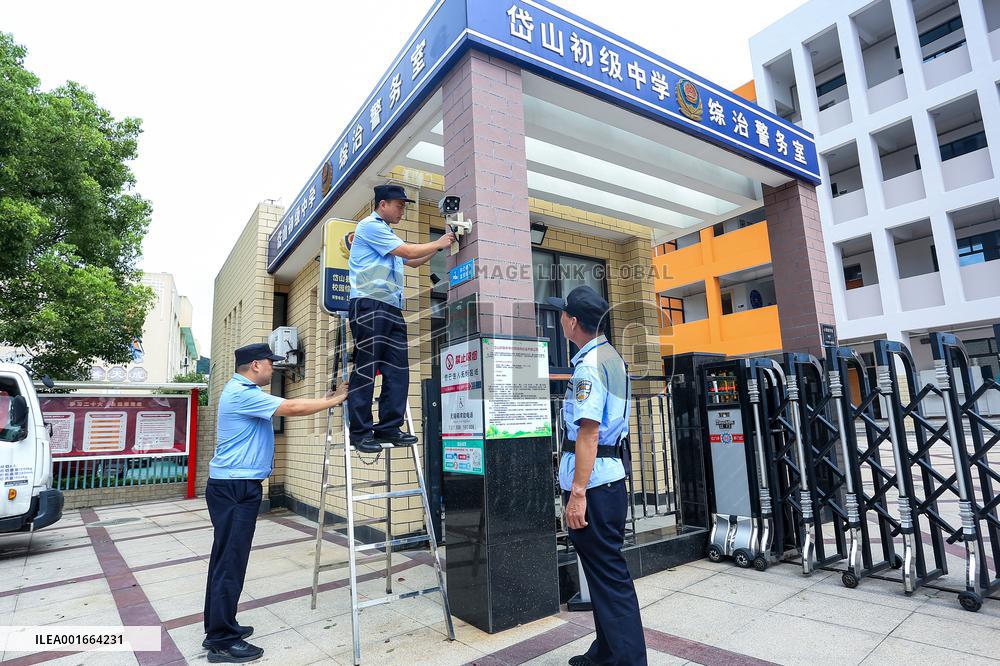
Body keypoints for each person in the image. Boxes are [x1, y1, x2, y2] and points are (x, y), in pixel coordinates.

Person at [203, 342, 348, 663]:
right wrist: (334, 400)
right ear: (256, 365)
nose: (274, 368)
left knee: (225, 559)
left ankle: (220, 625)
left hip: (233, 486)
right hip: (234, 489)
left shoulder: (239, 391)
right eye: (271, 363)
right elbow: (292, 409)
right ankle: (221, 641)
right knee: (230, 562)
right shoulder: (243, 393)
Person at [547, 286, 648, 666]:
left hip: (594, 485)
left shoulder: (589, 365)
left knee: (609, 578)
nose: (560, 320)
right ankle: (606, 652)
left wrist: (577, 494)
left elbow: (588, 432)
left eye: (562, 315)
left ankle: (627, 660)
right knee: (603, 575)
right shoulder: (611, 357)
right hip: (607, 480)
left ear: (573, 322)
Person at [347, 183, 454, 452]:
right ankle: (360, 433)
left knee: (397, 370)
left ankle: (388, 428)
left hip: (391, 309)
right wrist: (439, 241)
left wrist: (441, 246)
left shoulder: (388, 236)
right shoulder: (369, 227)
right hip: (369, 306)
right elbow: (407, 252)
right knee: (366, 369)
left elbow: (413, 261)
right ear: (383, 204)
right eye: (399, 205)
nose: (402, 210)